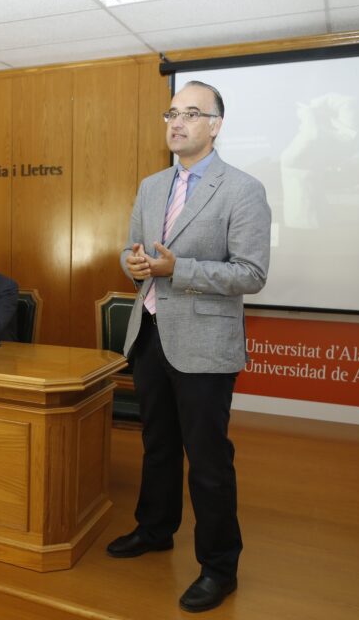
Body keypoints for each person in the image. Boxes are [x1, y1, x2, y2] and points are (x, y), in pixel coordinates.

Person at [106, 81, 271, 613]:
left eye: (192, 114)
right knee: (157, 445)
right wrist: (132, 266)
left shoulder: (242, 189)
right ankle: (155, 530)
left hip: (204, 343)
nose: (176, 123)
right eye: (171, 113)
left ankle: (219, 567)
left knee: (207, 460)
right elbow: (133, 251)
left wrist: (181, 270)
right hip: (150, 332)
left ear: (216, 125)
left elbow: (251, 273)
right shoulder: (152, 185)